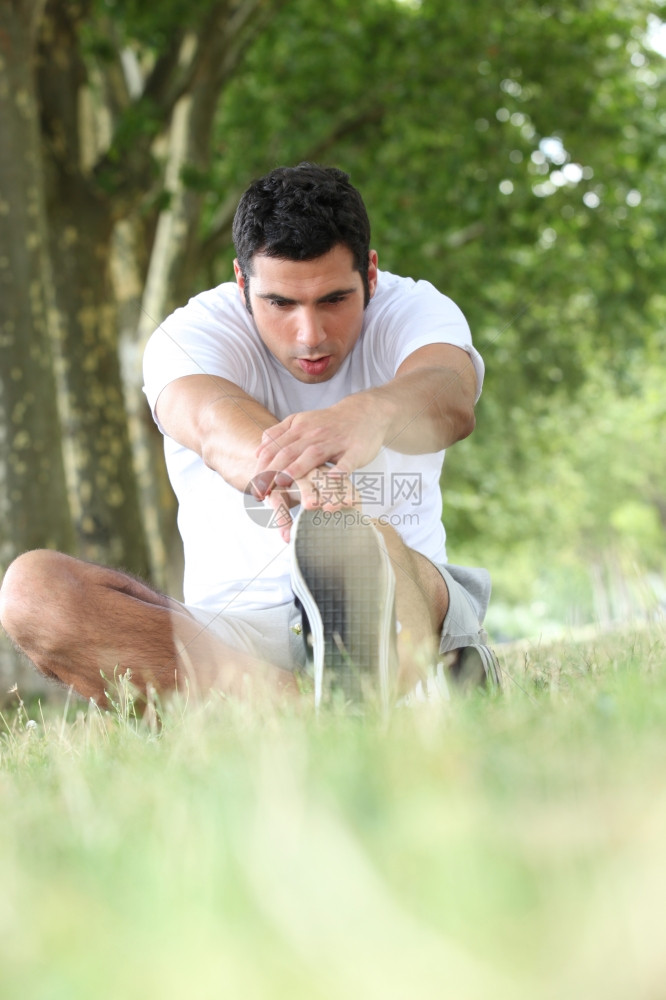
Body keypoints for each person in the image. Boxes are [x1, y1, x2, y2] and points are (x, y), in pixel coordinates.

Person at [0, 163, 500, 708]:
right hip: (236, 646)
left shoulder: (415, 308)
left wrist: (370, 414)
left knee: (362, 540)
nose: (310, 335)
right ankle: (304, 718)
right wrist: (300, 469)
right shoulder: (189, 334)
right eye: (280, 304)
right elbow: (214, 421)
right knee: (31, 592)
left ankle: (405, 682)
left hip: (405, 607)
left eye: (334, 299)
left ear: (371, 275)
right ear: (242, 282)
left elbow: (450, 391)